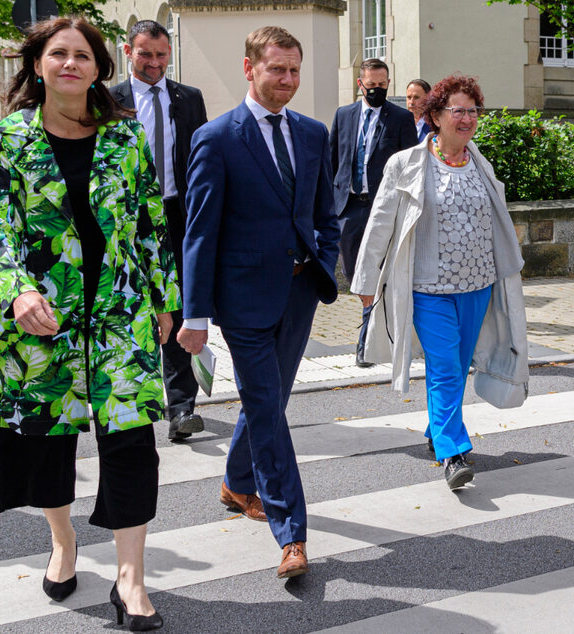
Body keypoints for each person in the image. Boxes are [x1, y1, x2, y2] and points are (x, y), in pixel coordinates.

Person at [0, 17, 179, 630]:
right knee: (47, 439)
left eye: (82, 55)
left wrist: (165, 299)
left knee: (131, 440)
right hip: (43, 313)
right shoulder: (6, 138)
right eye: (58, 54)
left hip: (120, 310)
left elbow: (148, 223)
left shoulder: (125, 138)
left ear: (98, 69)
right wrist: (17, 288)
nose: (70, 64)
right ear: (38, 65)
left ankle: (131, 580)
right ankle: (63, 542)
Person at [178, 26, 340, 579]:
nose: (288, 80)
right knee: (268, 409)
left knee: (269, 402)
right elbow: (199, 233)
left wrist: (326, 254)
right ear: (249, 69)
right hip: (242, 300)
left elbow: (324, 212)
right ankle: (291, 533)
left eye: (294, 70)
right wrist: (194, 315)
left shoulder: (314, 133)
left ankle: (235, 482)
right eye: (277, 70)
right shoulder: (217, 138)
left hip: (298, 295)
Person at [351, 74, 528, 490]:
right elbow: (380, 223)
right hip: (428, 288)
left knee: (457, 365)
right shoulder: (407, 164)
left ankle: (437, 428)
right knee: (446, 367)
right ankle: (453, 451)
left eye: (472, 110)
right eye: (457, 110)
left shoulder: (480, 163)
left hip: (478, 286)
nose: (466, 118)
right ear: (434, 116)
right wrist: (365, 279)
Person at [111, 20, 208, 441]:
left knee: (181, 305)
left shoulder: (189, 98)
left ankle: (182, 407)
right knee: (133, 306)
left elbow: (200, 159)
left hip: (177, 214)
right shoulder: (107, 99)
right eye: (146, 54)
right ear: (129, 52)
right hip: (126, 219)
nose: (154, 63)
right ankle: (127, 397)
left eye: (161, 55)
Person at [330, 59, 417, 367]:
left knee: (379, 274)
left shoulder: (401, 119)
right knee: (357, 275)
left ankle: (366, 342)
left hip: (384, 209)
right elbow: (333, 161)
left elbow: (410, 167)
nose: (377, 90)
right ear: (360, 84)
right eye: (372, 85)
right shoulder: (344, 115)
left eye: (383, 85)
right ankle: (372, 320)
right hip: (349, 208)